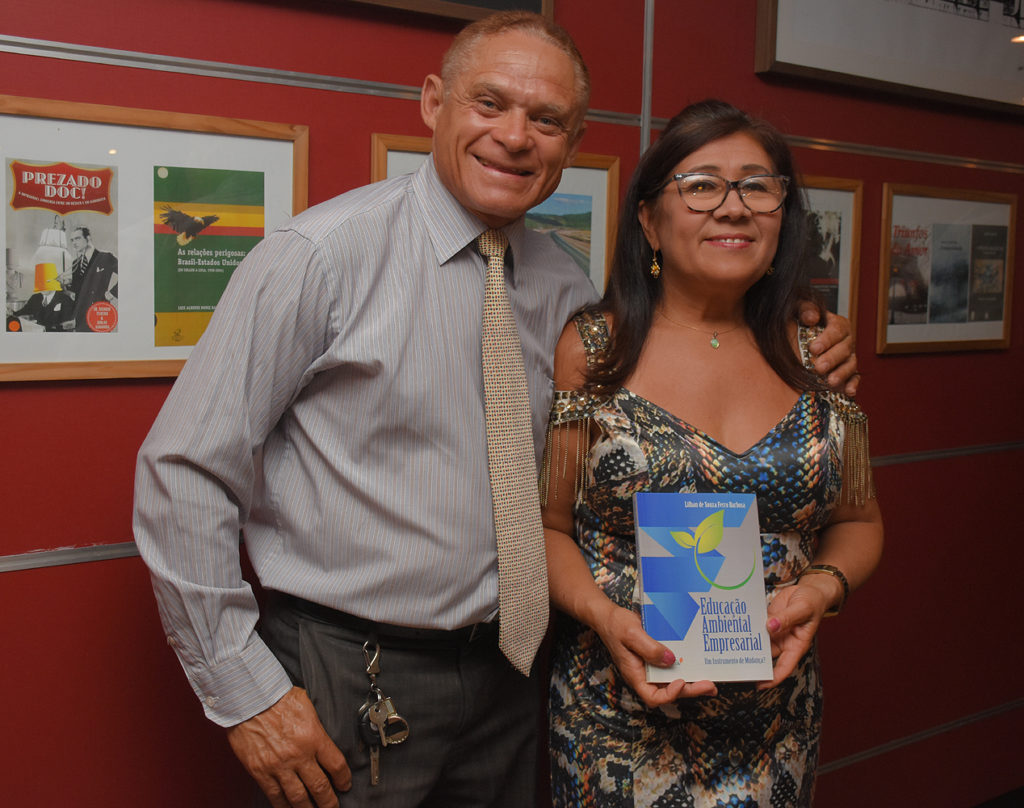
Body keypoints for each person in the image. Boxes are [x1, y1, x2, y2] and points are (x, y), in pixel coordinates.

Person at [133, 15, 857, 808]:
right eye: (489, 103)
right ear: (433, 103)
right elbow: (185, 473)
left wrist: (802, 325)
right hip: (351, 673)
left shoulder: (566, 291)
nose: (515, 136)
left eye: (546, 119)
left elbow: (685, 361)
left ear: (571, 143)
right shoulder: (320, 259)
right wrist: (248, 696)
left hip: (514, 676)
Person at [539, 99, 883, 807]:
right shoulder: (594, 351)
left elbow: (860, 521)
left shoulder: (818, 352)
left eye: (758, 186)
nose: (734, 207)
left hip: (776, 719)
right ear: (648, 218)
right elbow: (547, 527)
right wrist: (607, 619)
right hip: (618, 714)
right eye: (701, 185)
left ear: (783, 214)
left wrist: (819, 588)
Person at [66, 226, 118, 332]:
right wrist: (65, 288)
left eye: (77, 238)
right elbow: (76, 292)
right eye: (72, 240)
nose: (74, 243)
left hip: (99, 314)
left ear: (88, 239)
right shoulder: (75, 263)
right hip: (80, 319)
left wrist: (112, 293)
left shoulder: (105, 257)